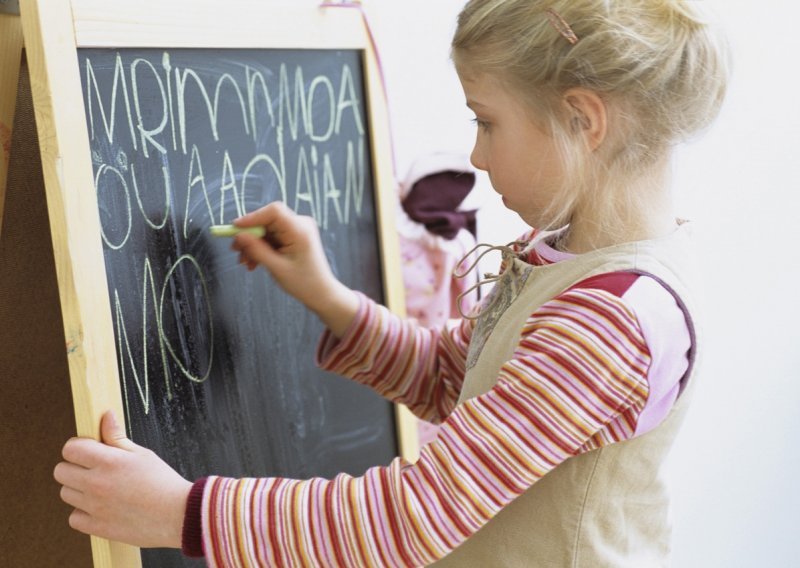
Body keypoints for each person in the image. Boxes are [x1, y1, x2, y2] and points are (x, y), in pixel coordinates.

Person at [53, 1, 728, 566]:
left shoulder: (609, 322)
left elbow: (413, 516)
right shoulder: (572, 258)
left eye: (486, 120)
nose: (475, 154)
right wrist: (331, 299)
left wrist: (180, 511)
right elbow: (451, 378)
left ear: (584, 121)